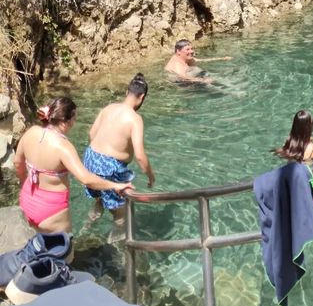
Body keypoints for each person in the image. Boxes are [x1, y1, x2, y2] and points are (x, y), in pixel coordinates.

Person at [13, 97, 135, 232]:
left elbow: (18, 163)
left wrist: (24, 183)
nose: (74, 122)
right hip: (51, 212)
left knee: (38, 247)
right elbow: (86, 179)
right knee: (64, 251)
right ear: (67, 121)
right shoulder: (63, 146)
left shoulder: (31, 132)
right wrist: (116, 185)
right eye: (74, 118)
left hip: (26, 200)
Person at [83, 74, 154, 234]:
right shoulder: (135, 119)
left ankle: (86, 228)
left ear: (126, 92)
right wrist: (151, 176)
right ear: (142, 97)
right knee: (121, 212)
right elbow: (140, 156)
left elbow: (91, 133)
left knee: (100, 197)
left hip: (90, 158)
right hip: (110, 167)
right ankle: (118, 247)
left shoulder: (108, 108)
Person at [165, 39, 232, 83]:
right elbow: (182, 77)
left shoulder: (187, 58)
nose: (191, 51)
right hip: (182, 84)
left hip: (191, 77)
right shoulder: (177, 65)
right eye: (187, 49)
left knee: (202, 71)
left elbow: (202, 60)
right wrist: (203, 80)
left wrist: (222, 58)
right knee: (201, 73)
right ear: (178, 51)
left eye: (191, 49)